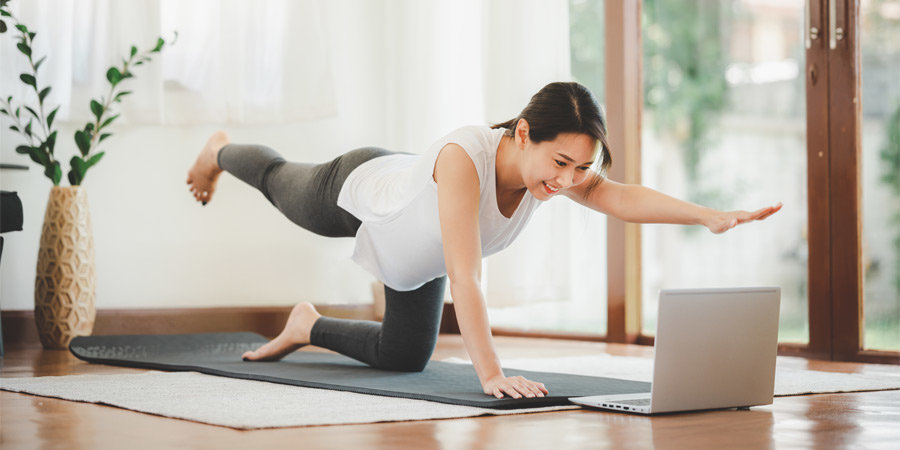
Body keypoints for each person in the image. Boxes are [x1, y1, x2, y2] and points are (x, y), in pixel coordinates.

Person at [185, 81, 781, 401]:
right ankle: (218, 150)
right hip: (360, 192)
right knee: (278, 180)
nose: (569, 180)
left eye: (581, 168)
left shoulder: (553, 174)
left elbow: (617, 196)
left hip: (416, 250)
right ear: (523, 133)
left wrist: (706, 215)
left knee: (402, 357)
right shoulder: (467, 157)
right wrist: (489, 372)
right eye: (561, 161)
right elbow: (465, 277)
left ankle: (306, 325)